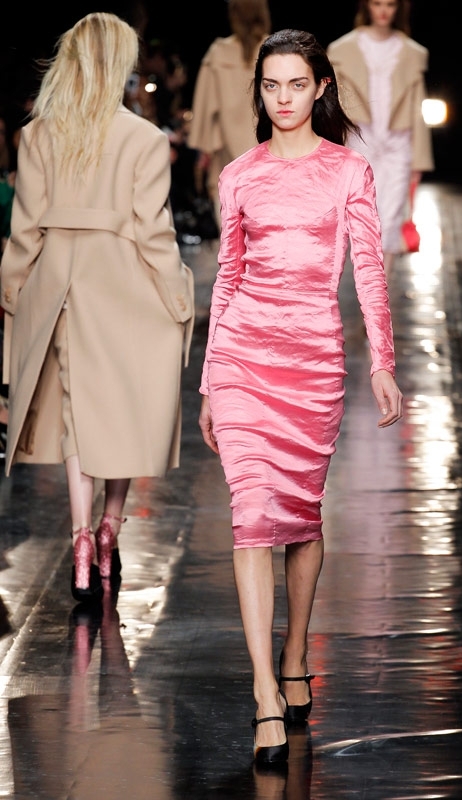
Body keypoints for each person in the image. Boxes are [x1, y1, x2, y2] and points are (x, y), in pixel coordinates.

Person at [198, 28, 403, 765]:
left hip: (313, 361)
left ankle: (293, 653)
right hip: (242, 356)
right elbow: (227, 277)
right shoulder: (239, 175)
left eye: (295, 84)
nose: (282, 98)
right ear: (258, 91)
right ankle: (264, 692)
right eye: (270, 85)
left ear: (320, 88)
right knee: (251, 515)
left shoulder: (347, 170)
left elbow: (368, 270)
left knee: (301, 515)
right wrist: (208, 381)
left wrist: (382, 362)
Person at [0, 13, 194, 603]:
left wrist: (12, 292)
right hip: (123, 282)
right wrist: (178, 295)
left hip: (58, 281)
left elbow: (25, 230)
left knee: (75, 415)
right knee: (123, 408)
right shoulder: (144, 139)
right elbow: (154, 232)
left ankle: (80, 539)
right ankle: (110, 529)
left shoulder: (38, 135)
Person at [327, 0, 434, 278]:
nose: (384, 10)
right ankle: (370, 289)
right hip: (359, 141)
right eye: (377, 3)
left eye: (390, 4)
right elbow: (333, 107)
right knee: (363, 219)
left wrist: (419, 159)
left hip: (399, 142)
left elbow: (417, 109)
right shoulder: (342, 50)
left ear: (399, 8)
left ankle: (378, 293)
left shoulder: (411, 52)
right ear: (366, 6)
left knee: (392, 218)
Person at [187, 0, 271, 228]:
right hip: (271, 160)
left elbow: (205, 109)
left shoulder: (218, 54)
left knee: (232, 236)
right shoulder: (277, 52)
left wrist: (204, 150)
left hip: (228, 161)